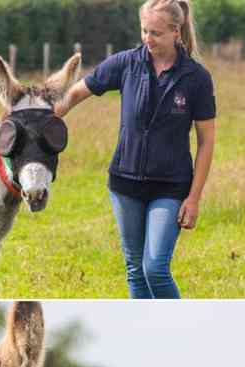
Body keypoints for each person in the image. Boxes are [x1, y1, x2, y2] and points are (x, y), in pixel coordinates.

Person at [56, 0, 216, 299]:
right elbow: (78, 91)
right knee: (134, 269)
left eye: (155, 33)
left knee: (154, 267)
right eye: (144, 30)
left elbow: (206, 142)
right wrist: (47, 117)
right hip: (125, 185)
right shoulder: (126, 63)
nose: (147, 38)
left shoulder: (196, 78)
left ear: (175, 32)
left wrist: (193, 198)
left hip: (171, 187)